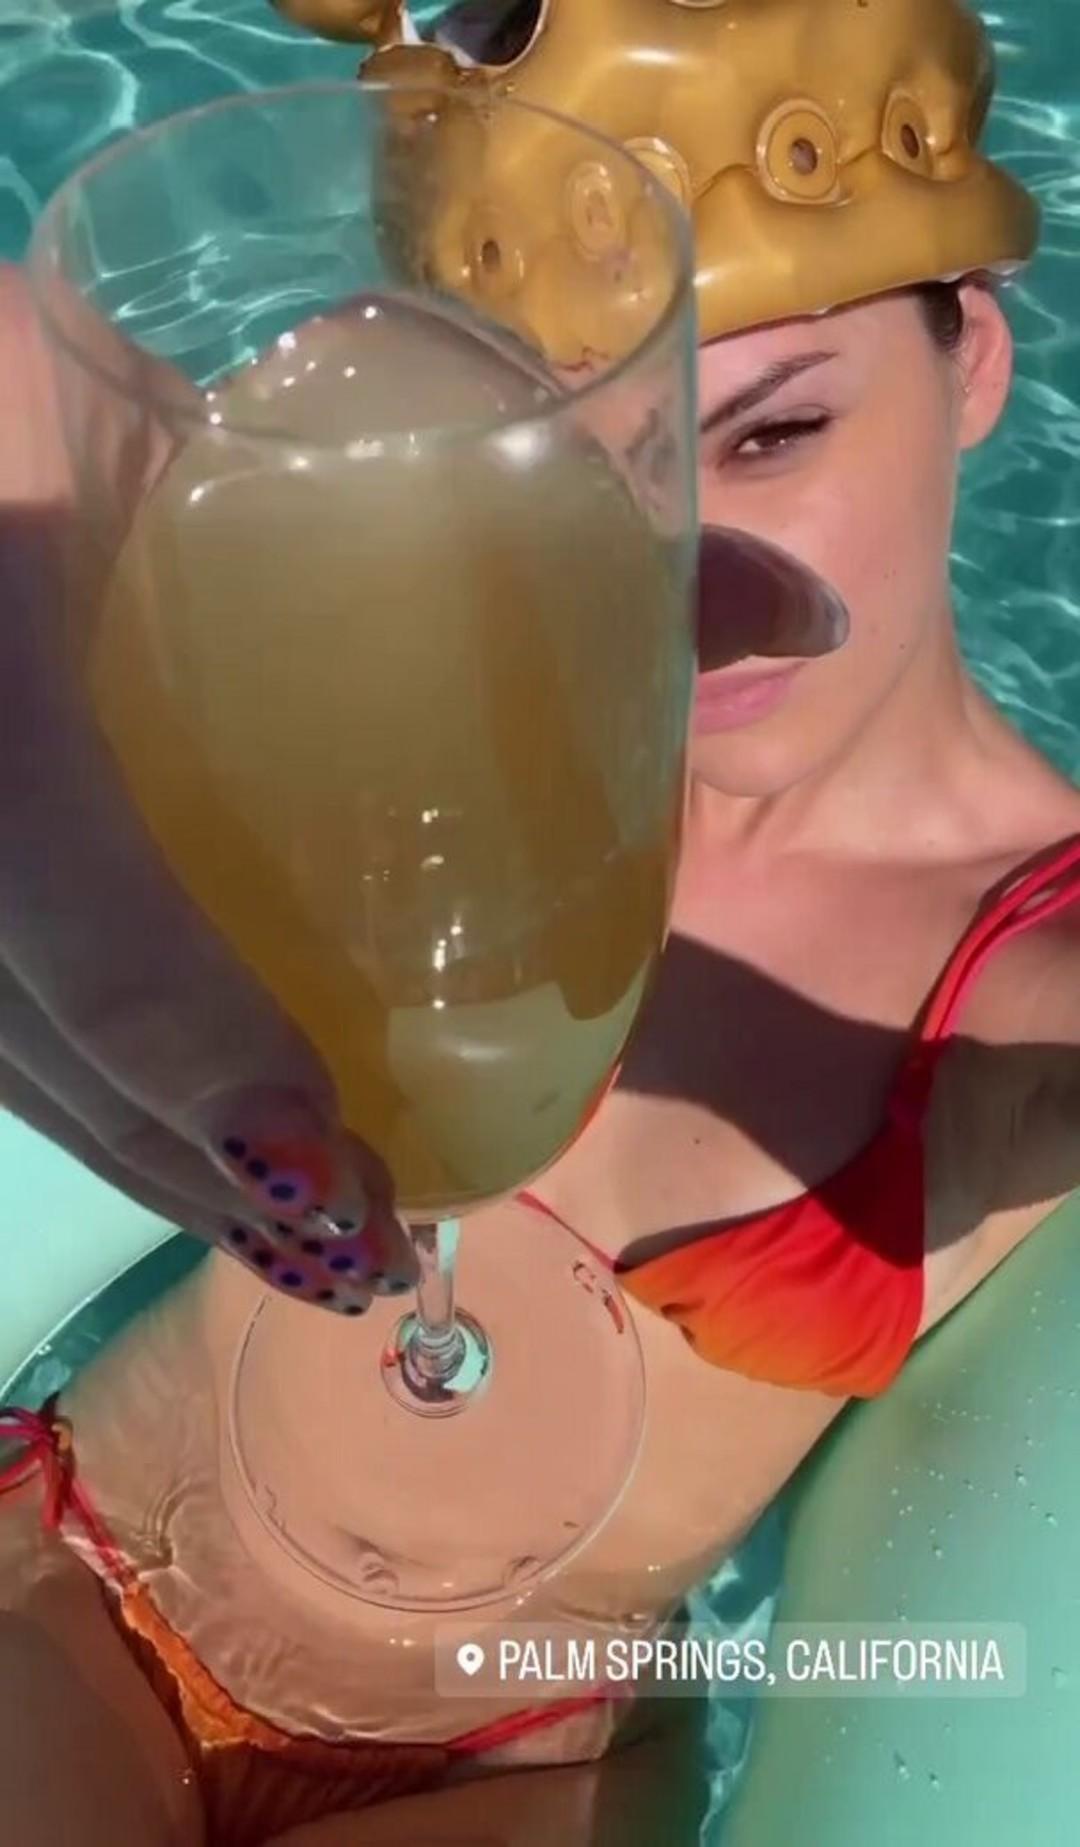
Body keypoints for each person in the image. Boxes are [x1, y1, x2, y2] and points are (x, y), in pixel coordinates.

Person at [1, 0, 1079, 1841]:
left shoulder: (1031, 957)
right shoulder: (433, 687)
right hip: (85, 1567)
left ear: (973, 359)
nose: (673, 539)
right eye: (592, 453)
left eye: (775, 431)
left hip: (530, 1739)